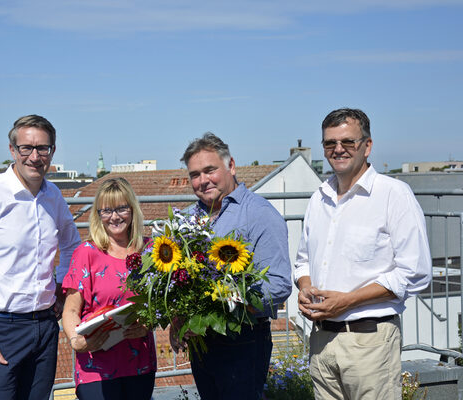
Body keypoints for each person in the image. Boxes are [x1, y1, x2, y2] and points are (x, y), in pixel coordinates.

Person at [294, 108, 432, 399]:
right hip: (320, 341)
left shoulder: (394, 194)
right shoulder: (319, 198)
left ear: (367, 146)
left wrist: (347, 301)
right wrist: (305, 288)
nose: (338, 149)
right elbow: (303, 261)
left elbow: (415, 273)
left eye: (348, 142)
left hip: (369, 343)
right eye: (330, 143)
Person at [0, 115, 81, 399]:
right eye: (26, 148)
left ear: (52, 152)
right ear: (12, 150)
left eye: (43, 148)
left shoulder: (54, 195)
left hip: (45, 327)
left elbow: (72, 244)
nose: (35, 156)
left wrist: (62, 288)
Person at [174, 132, 292, 400]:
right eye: (194, 174)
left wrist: (225, 307)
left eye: (209, 170)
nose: (202, 181)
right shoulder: (187, 219)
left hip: (243, 338)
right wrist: (178, 315)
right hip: (202, 342)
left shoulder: (259, 214)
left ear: (231, 166)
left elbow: (278, 284)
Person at [61, 177, 157, 400]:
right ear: (98, 215)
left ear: (132, 210)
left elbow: (160, 305)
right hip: (96, 363)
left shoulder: (151, 250)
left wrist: (148, 324)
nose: (114, 217)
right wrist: (76, 341)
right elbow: (71, 310)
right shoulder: (86, 252)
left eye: (121, 208)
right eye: (106, 211)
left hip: (139, 361)